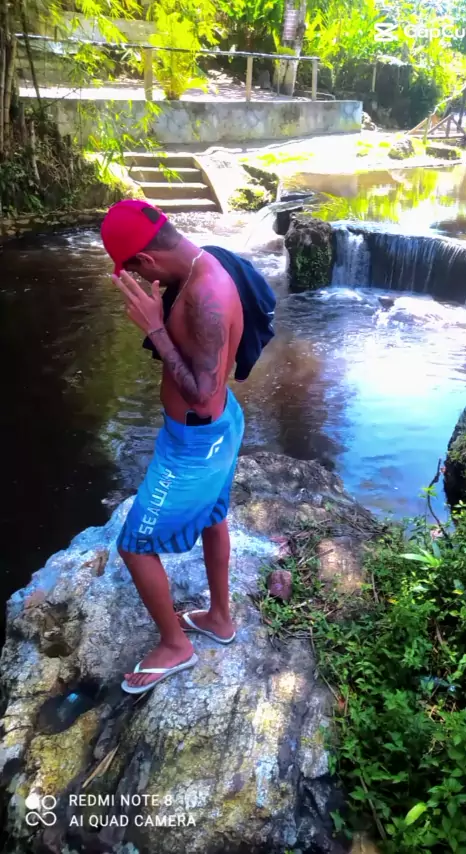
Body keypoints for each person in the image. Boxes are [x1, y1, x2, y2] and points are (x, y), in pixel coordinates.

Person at [100, 199, 275, 694]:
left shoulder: (205, 294)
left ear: (145, 259)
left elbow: (202, 392)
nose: (139, 278)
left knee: (134, 545)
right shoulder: (203, 262)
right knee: (214, 516)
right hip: (217, 428)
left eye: (135, 269)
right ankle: (220, 617)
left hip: (197, 442)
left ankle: (175, 646)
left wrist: (154, 328)